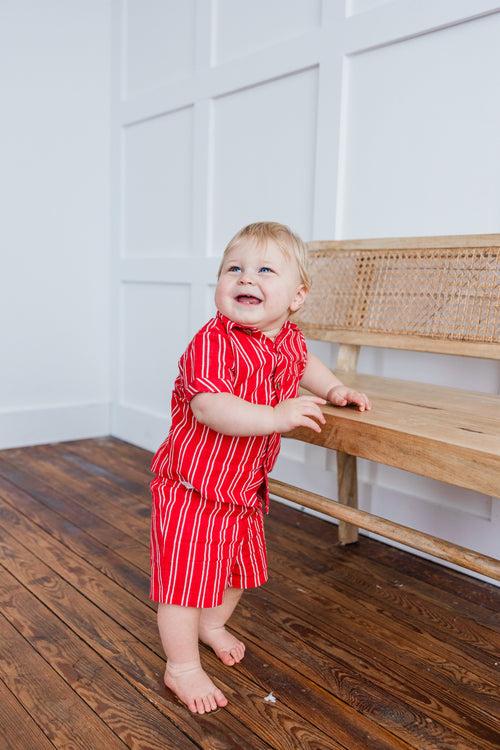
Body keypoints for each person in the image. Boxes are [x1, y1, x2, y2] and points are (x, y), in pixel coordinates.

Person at [149, 221, 371, 714]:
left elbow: (306, 364)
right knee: (184, 583)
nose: (246, 278)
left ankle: (210, 625)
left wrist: (332, 390)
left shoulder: (288, 339)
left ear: (297, 297)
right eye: (235, 269)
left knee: (236, 571)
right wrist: (276, 416)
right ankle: (180, 666)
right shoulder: (213, 342)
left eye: (265, 270)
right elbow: (210, 407)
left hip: (244, 488)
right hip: (192, 489)